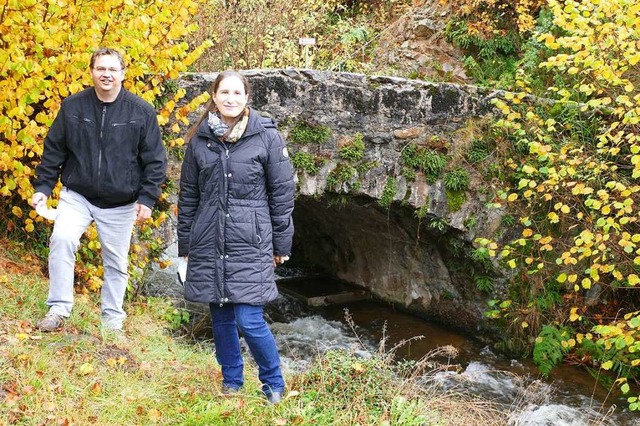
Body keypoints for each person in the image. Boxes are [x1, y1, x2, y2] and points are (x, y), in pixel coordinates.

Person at [177, 71, 294, 404]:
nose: (230, 98)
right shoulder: (200, 140)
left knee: (249, 318)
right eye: (223, 92)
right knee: (222, 317)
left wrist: (281, 245)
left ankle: (273, 384)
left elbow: (282, 194)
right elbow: (188, 196)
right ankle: (232, 382)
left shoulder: (267, 137)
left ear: (247, 97)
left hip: (252, 241)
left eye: (236, 92)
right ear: (213, 96)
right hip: (210, 240)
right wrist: (186, 244)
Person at [31, 47, 167, 333]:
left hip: (121, 200)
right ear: (92, 71)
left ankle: (112, 321)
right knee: (63, 239)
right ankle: (57, 309)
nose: (106, 74)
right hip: (77, 194)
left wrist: (147, 198)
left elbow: (155, 160)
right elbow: (54, 149)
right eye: (100, 69)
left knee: (116, 262)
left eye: (112, 69)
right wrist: (44, 187)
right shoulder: (73, 106)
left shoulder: (140, 111)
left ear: (123, 74)